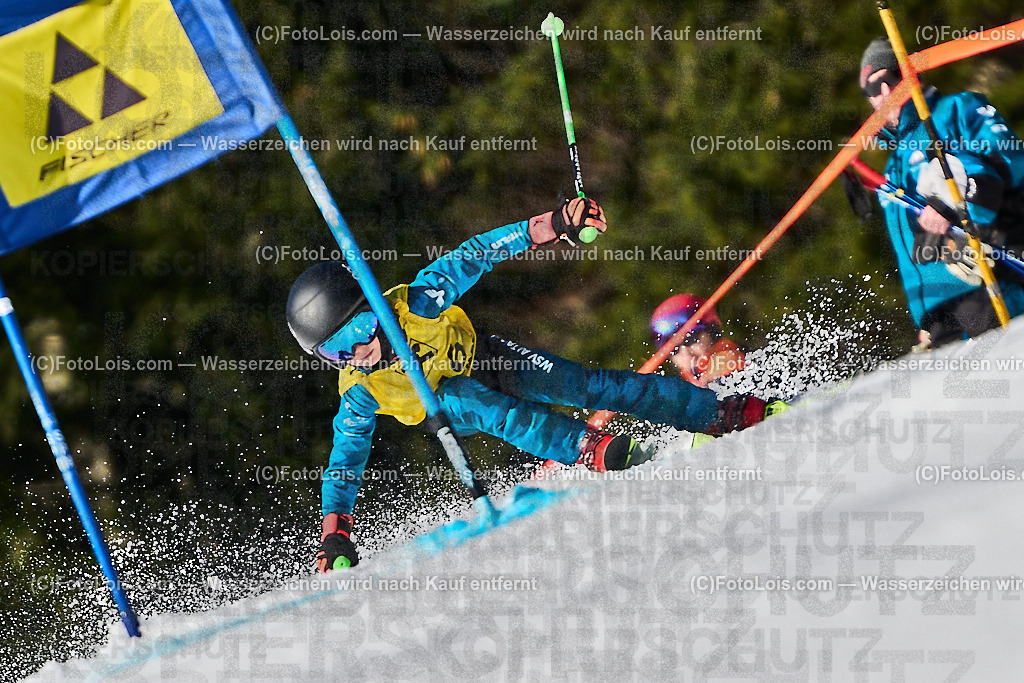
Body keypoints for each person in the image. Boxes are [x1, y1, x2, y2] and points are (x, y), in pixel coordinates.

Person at [286, 198, 778, 571]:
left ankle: (716, 414)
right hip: (450, 405)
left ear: (373, 306)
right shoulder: (360, 389)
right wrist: (336, 532)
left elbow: (477, 253)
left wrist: (553, 225)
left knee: (589, 386)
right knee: (476, 405)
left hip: (489, 356)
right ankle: (587, 447)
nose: (359, 352)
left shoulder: (416, 303)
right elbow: (344, 461)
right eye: (337, 351)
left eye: (358, 331)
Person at [859, 38, 1024, 348]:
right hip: (939, 313)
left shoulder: (958, 109)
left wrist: (954, 206)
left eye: (888, 81)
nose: (881, 95)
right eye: (871, 89)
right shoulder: (894, 165)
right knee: (957, 396)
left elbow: (1008, 165)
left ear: (912, 76)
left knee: (1006, 382)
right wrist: (925, 317)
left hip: (987, 284)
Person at [650, 294, 746, 388]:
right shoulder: (683, 384)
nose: (685, 352)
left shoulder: (734, 359)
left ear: (712, 331)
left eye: (690, 339)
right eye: (674, 349)